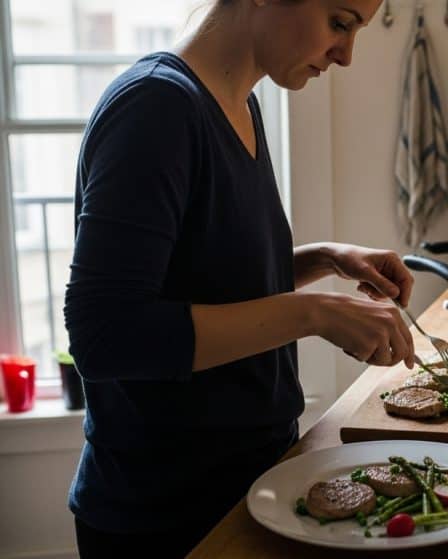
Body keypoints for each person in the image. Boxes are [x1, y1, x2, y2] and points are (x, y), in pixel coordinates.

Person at [63, 1, 397, 557]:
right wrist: (316, 313)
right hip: (163, 518)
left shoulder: (238, 104)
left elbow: (206, 280)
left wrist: (326, 259)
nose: (346, 55)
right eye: (340, 23)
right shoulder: (157, 106)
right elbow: (105, 335)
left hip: (246, 485)